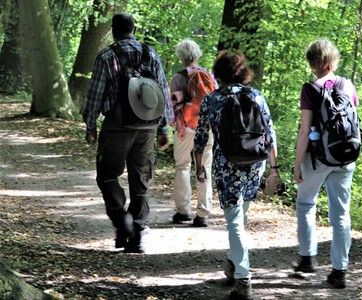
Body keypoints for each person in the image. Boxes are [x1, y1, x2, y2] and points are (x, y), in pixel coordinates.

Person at [82, 13, 173, 253]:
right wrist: (164, 127)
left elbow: (95, 94)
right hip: (147, 127)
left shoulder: (107, 56)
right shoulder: (150, 54)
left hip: (117, 126)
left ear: (113, 30)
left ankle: (122, 221)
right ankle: (138, 234)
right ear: (135, 29)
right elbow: (162, 91)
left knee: (107, 175)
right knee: (140, 178)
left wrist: (90, 125)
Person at [194, 50, 279, 300]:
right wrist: (274, 169)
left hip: (227, 164)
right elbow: (270, 135)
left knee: (234, 220)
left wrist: (199, 166)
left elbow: (200, 139)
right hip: (255, 162)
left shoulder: (212, 99)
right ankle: (232, 264)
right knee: (240, 217)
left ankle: (243, 278)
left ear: (218, 73)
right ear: (243, 72)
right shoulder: (256, 95)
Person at [293, 39, 359, 288]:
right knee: (341, 214)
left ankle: (307, 259)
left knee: (306, 203)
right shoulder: (347, 84)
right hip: (345, 157)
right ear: (332, 61)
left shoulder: (310, 89)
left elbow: (304, 130)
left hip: (318, 158)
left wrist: (298, 163)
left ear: (312, 63)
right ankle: (339, 271)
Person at [169, 39, 218, 227]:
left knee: (183, 166)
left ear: (180, 57)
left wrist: (172, 125)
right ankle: (203, 214)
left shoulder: (178, 78)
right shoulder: (209, 75)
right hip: (206, 128)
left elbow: (172, 107)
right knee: (204, 165)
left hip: (185, 128)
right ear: (197, 54)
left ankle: (183, 211)